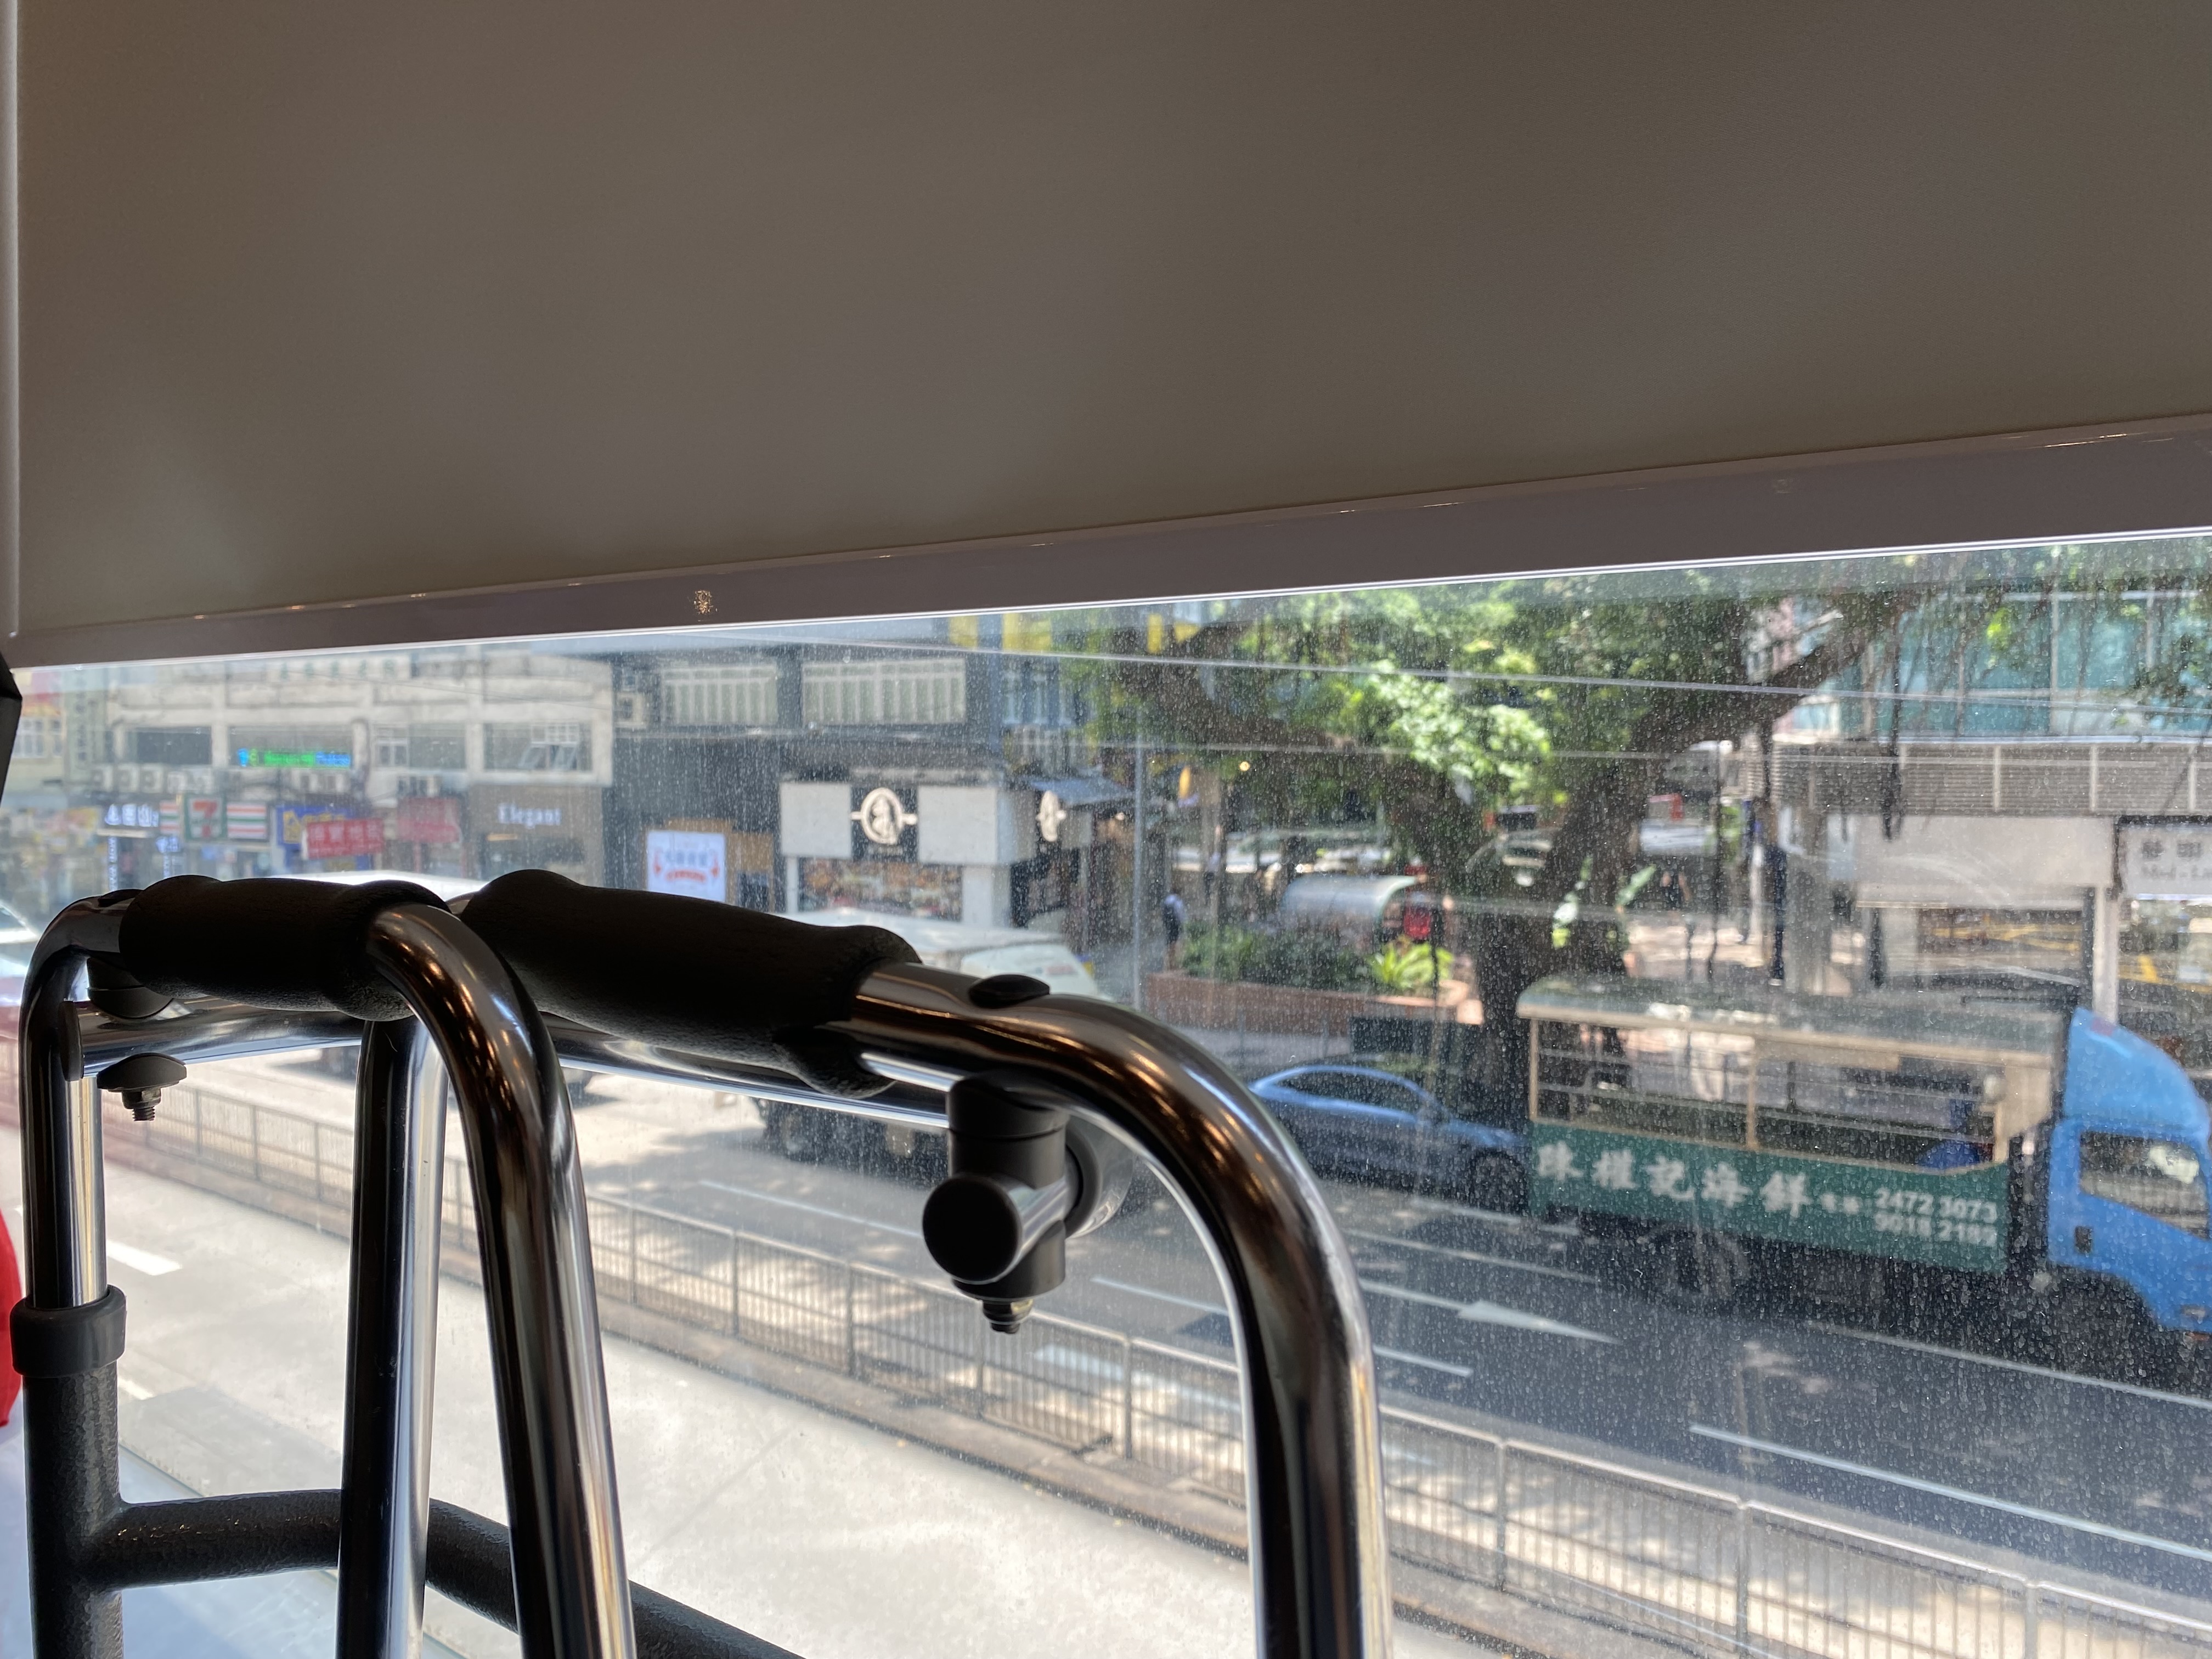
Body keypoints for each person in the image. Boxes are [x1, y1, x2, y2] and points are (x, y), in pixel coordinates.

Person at [1161, 890, 1188, 967]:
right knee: (1174, 941)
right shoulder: (1177, 900)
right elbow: (1180, 913)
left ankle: (1168, 960)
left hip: (1168, 923)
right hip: (1174, 923)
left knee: (1169, 940)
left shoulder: (1168, 899)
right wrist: (1183, 923)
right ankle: (1173, 961)